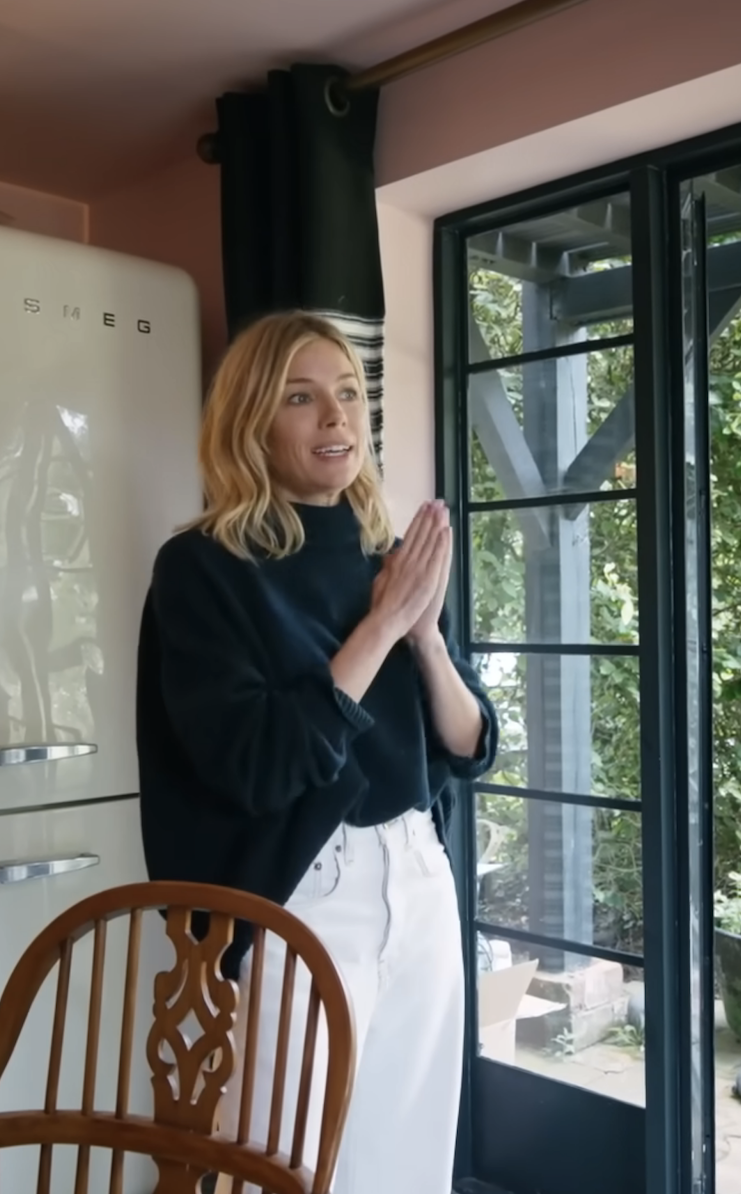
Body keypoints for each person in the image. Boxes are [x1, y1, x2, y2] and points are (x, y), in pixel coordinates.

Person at [136, 311, 495, 1191]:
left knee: (409, 1158)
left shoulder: (386, 555)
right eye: (302, 397)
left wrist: (424, 637)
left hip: (416, 867)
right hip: (302, 887)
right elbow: (258, 762)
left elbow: (470, 743)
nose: (337, 419)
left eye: (348, 395)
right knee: (288, 1168)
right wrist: (381, 624)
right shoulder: (203, 568)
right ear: (251, 423)